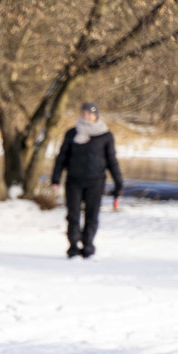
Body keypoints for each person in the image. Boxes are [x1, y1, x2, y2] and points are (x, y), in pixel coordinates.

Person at [51, 101, 123, 258]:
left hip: (96, 181)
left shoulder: (105, 135)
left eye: (90, 113)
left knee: (92, 214)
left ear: (96, 115)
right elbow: (62, 157)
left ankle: (88, 243)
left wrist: (118, 182)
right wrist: (56, 179)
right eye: (84, 113)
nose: (87, 116)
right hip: (74, 180)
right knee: (73, 214)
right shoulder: (72, 133)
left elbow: (112, 160)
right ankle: (73, 244)